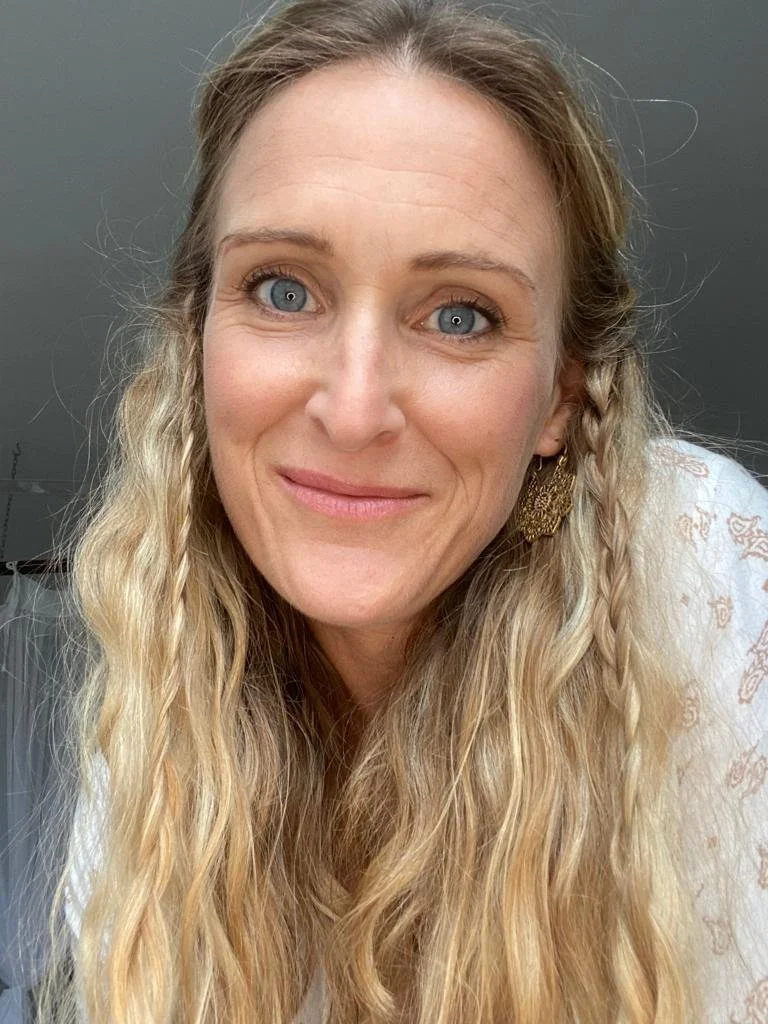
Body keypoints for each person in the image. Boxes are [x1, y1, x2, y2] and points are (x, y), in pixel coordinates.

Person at [25, 0, 766, 1021]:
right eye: (283, 290)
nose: (356, 407)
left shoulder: (709, 585)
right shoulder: (156, 723)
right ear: (197, 341)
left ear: (562, 395)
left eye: (461, 315)